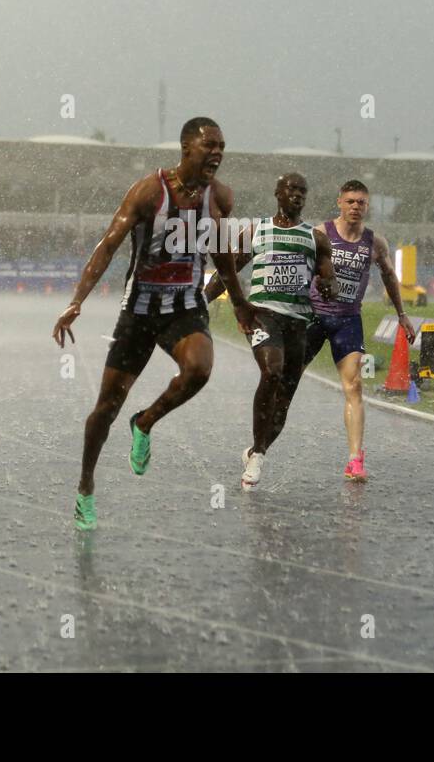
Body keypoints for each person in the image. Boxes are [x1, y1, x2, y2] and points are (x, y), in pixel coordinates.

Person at [53, 117, 253, 531]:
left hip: (185, 306)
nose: (217, 153)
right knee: (105, 409)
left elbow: (224, 258)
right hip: (140, 310)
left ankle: (145, 422)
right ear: (186, 149)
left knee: (199, 369)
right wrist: (76, 302)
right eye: (209, 145)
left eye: (222, 146)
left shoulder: (220, 198)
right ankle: (86, 487)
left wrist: (240, 305)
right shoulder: (148, 192)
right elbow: (108, 246)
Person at [203, 173, 338, 488]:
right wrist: (202, 302)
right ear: (278, 193)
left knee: (285, 397)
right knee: (272, 371)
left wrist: (328, 285)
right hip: (263, 315)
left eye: (303, 191)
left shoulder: (316, 238)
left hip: (298, 322)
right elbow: (228, 270)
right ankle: (259, 455)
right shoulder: (257, 230)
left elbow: (329, 278)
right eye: (292, 189)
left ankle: (256, 449)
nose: (297, 195)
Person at [303, 179, 414, 480]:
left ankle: (355, 460)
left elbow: (390, 277)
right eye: (350, 201)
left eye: (361, 202)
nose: (355, 207)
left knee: (354, 387)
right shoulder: (320, 233)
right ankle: (260, 446)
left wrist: (402, 314)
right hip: (314, 317)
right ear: (339, 202)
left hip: (348, 320)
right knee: (286, 380)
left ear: (367, 206)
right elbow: (301, 270)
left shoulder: (375, 243)